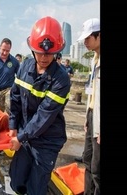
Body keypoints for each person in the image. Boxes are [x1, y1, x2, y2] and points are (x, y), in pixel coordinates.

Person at [8, 16, 71, 195]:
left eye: (49, 53)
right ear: (32, 48)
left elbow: (44, 116)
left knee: (36, 187)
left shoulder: (61, 80)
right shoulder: (24, 67)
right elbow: (15, 97)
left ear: (57, 51)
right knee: (17, 180)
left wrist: (20, 138)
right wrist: (13, 125)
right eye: (39, 52)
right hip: (25, 135)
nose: (44, 57)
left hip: (47, 140)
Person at [77, 18, 100, 195]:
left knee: (97, 167)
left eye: (88, 38)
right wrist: (87, 117)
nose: (85, 42)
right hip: (92, 115)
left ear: (98, 36)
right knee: (87, 159)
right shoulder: (94, 59)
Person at [0, 38, 20, 114]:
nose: (5, 53)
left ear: (10, 49)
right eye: (3, 50)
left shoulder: (14, 61)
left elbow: (19, 77)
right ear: (0, 47)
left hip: (10, 89)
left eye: (7, 51)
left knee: (9, 106)